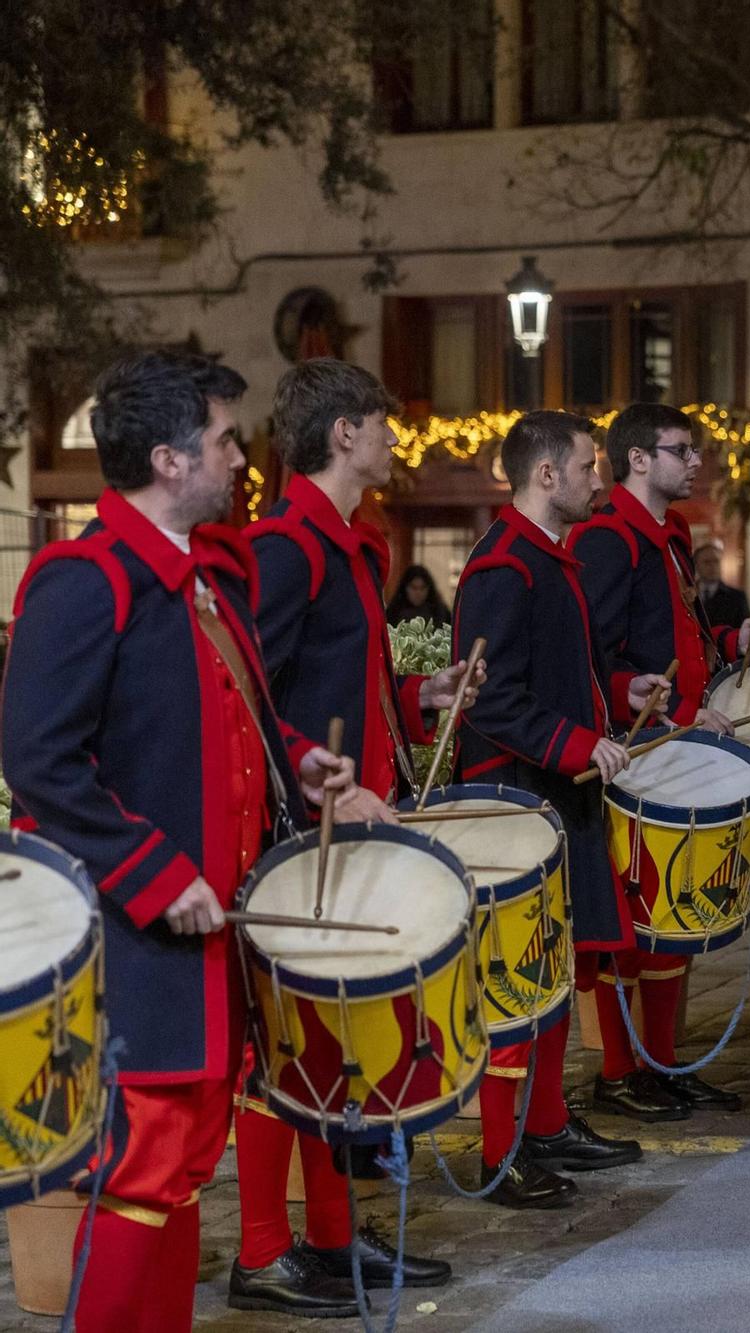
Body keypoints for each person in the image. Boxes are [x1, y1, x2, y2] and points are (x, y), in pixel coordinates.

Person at [1, 350, 361, 1332]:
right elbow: (40, 762)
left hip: (210, 938)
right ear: (167, 459)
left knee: (184, 1166)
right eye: (222, 440)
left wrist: (302, 765)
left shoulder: (202, 578)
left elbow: (226, 719)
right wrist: (157, 875)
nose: (242, 459)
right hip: (136, 935)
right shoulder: (86, 578)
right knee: (145, 1164)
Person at [239, 358, 483, 1310]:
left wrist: (423, 697)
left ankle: (334, 1238)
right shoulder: (286, 546)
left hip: (353, 819)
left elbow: (340, 681)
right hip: (301, 832)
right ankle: (261, 1252)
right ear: (344, 433)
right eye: (384, 425)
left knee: (332, 1038)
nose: (395, 440)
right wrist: (317, 773)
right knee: (283, 1040)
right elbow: (249, 697)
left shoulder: (343, 542)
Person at [454, 411, 671, 1208]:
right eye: (588, 465)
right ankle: (499, 1151)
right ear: (547, 474)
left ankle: (545, 1124)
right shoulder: (503, 566)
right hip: (517, 799)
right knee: (518, 979)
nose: (599, 478)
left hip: (555, 789)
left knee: (557, 964)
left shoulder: (550, 559)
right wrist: (575, 743)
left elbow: (561, 672)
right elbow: (489, 700)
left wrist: (620, 692)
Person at [570, 403, 750, 1121]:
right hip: (632, 746)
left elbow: (678, 633)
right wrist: (652, 703)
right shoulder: (606, 540)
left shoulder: (671, 535)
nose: (696, 463)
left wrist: (733, 645)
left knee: (673, 912)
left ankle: (663, 1063)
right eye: (682, 451)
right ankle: (621, 1072)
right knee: (635, 916)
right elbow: (593, 655)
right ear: (640, 459)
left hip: (677, 738)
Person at [695, 540, 750, 630]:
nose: (712, 566)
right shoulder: (688, 594)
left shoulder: (737, 597)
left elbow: (746, 630)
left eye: (716, 561)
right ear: (696, 565)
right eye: (707, 562)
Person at [386, 562, 451, 625]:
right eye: (414, 588)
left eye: (422, 588)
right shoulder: (393, 613)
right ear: (405, 588)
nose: (418, 593)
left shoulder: (440, 613)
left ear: (429, 588)